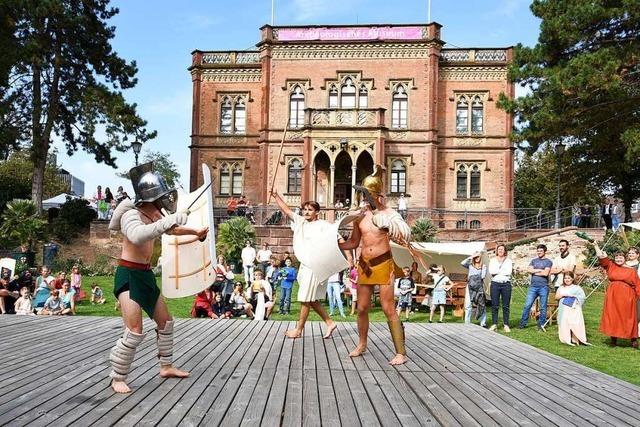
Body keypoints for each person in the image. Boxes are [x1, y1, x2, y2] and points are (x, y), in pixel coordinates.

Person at [106, 162, 208, 393]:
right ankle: (117, 377)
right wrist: (169, 220)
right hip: (129, 275)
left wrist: (195, 232)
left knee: (166, 322)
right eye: (161, 196)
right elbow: (138, 235)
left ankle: (166, 366)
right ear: (152, 197)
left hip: (145, 275)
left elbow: (170, 230)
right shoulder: (131, 215)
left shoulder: (153, 214)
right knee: (134, 330)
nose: (165, 201)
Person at [338, 165, 412, 365]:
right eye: (363, 195)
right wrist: (336, 243)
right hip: (365, 265)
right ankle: (362, 344)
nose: (364, 199)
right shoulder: (359, 216)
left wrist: (389, 225)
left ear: (378, 196)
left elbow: (405, 233)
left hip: (383, 263)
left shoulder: (389, 214)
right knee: (362, 308)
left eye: (367, 195)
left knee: (389, 308)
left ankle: (400, 353)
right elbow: (354, 242)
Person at [271, 190, 342, 339]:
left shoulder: (323, 224)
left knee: (304, 298)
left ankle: (298, 330)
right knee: (311, 299)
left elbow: (338, 238)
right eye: (305, 209)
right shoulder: (301, 222)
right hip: (304, 265)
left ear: (317, 212)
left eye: (310, 210)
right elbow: (286, 210)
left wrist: (348, 256)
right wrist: (277, 196)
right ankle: (330, 323)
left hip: (314, 266)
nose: (307, 212)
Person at [595, 241, 640, 347]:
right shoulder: (611, 266)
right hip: (613, 295)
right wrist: (595, 245)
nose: (618, 259)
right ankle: (613, 339)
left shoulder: (631, 271)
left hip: (627, 296)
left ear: (625, 259)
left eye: (621, 258)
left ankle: (633, 339)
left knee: (629, 317)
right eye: (617, 258)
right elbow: (602, 258)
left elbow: (637, 285)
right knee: (613, 316)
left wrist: (638, 296)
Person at [518, 244, 553, 331]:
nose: (539, 252)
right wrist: (539, 270)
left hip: (543, 287)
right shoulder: (533, 261)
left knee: (543, 307)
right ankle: (523, 323)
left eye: (541, 251)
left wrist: (534, 272)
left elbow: (545, 273)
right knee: (527, 305)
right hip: (533, 287)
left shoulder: (548, 262)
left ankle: (541, 325)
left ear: (545, 251)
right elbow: (529, 270)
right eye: (538, 251)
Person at [555, 272, 589, 346]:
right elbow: (556, 297)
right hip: (564, 308)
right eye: (565, 278)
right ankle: (565, 338)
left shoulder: (577, 288)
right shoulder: (561, 287)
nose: (567, 280)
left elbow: (582, 297)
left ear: (572, 279)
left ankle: (576, 338)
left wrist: (574, 297)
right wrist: (563, 295)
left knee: (575, 323)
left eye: (569, 278)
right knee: (564, 322)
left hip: (574, 308)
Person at [488, 244, 513, 332]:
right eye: (499, 249)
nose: (500, 251)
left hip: (506, 284)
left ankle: (506, 324)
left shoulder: (508, 261)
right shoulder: (492, 260)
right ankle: (494, 323)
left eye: (502, 249)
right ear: (497, 251)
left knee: (506, 305)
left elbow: (508, 272)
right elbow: (491, 271)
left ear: (505, 251)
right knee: (495, 305)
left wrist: (497, 271)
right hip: (495, 284)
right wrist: (501, 271)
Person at [461, 252, 488, 327]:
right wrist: (471, 256)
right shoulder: (470, 265)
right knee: (468, 305)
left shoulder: (483, 266)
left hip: (479, 287)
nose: (477, 258)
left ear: (481, 257)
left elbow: (482, 276)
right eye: (475, 257)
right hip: (470, 287)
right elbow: (462, 263)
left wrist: (480, 269)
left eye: (478, 256)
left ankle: (483, 323)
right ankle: (467, 322)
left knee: (481, 304)